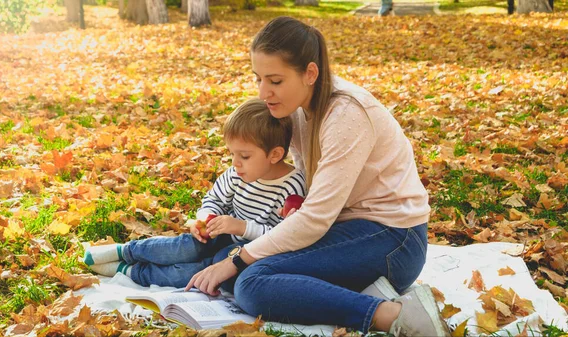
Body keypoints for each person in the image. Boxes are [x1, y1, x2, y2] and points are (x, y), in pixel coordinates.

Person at [185, 16, 452, 337]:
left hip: (393, 239)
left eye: (275, 81)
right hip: (345, 231)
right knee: (234, 264)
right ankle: (364, 292)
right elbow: (296, 190)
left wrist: (240, 258)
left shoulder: (347, 114)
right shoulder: (294, 109)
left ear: (310, 73)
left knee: (251, 283)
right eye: (258, 79)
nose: (264, 92)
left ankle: (395, 316)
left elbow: (316, 218)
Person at [83, 98, 306, 288]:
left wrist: (241, 227)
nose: (235, 163)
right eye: (232, 154)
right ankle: (126, 252)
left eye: (244, 156)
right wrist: (204, 218)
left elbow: (283, 237)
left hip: (248, 250)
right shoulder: (237, 173)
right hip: (223, 234)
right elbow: (215, 199)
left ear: (275, 154)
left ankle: (131, 272)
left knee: (201, 270)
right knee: (188, 246)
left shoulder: (291, 187)